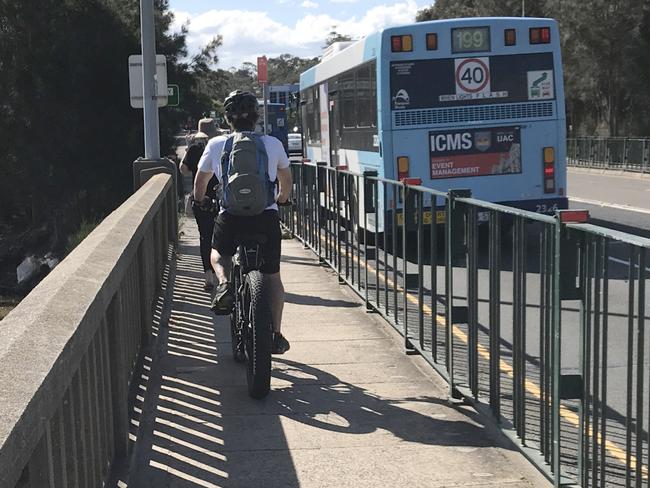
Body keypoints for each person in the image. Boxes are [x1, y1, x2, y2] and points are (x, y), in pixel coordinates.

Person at [193, 91, 292, 354]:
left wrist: (200, 201)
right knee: (272, 277)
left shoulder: (216, 145)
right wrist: (281, 199)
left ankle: (224, 283)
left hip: (231, 215)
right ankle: (277, 334)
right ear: (256, 117)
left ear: (227, 119)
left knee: (218, 254)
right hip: (266, 216)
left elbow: (200, 183)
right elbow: (286, 180)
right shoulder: (272, 144)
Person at [180, 118, 219, 291]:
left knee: (205, 236)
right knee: (224, 235)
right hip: (222, 196)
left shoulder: (195, 149)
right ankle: (226, 274)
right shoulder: (220, 146)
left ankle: (209, 277)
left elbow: (184, 169)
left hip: (201, 198)